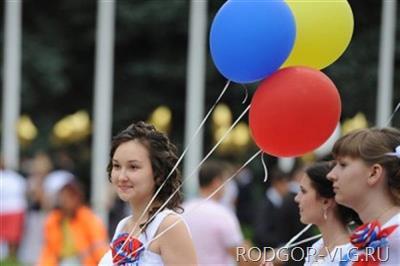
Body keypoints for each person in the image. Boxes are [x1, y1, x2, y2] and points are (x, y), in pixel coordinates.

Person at [99, 121, 197, 265]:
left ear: (158, 174)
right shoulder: (123, 225)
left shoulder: (169, 225)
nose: (121, 177)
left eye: (133, 167)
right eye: (117, 166)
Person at [327, 127, 400, 265]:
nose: (330, 175)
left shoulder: (396, 236)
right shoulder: (354, 247)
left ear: (374, 173)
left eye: (343, 164)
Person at [184, 160, 259, 266]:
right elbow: (244, 259)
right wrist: (275, 256)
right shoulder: (222, 214)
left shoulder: (183, 210)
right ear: (216, 182)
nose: (227, 186)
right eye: (225, 181)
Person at [294, 161, 361, 265]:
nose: (297, 198)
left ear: (326, 201)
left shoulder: (349, 255)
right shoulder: (317, 247)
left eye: (303, 191)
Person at [37, 180, 108, 266]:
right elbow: (48, 251)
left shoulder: (88, 218)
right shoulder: (53, 220)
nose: (65, 200)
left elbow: (99, 247)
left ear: (78, 198)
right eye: (63, 196)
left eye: (70, 196)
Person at [253, 168, 289, 249]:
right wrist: (282, 242)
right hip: (267, 251)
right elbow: (261, 233)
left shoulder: (281, 201)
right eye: (285, 183)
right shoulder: (265, 205)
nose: (287, 187)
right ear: (277, 183)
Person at [0, 158, 27, 264]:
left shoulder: (14, 177)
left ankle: (11, 259)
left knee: (12, 238)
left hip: (13, 210)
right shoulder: (16, 177)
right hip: (12, 210)